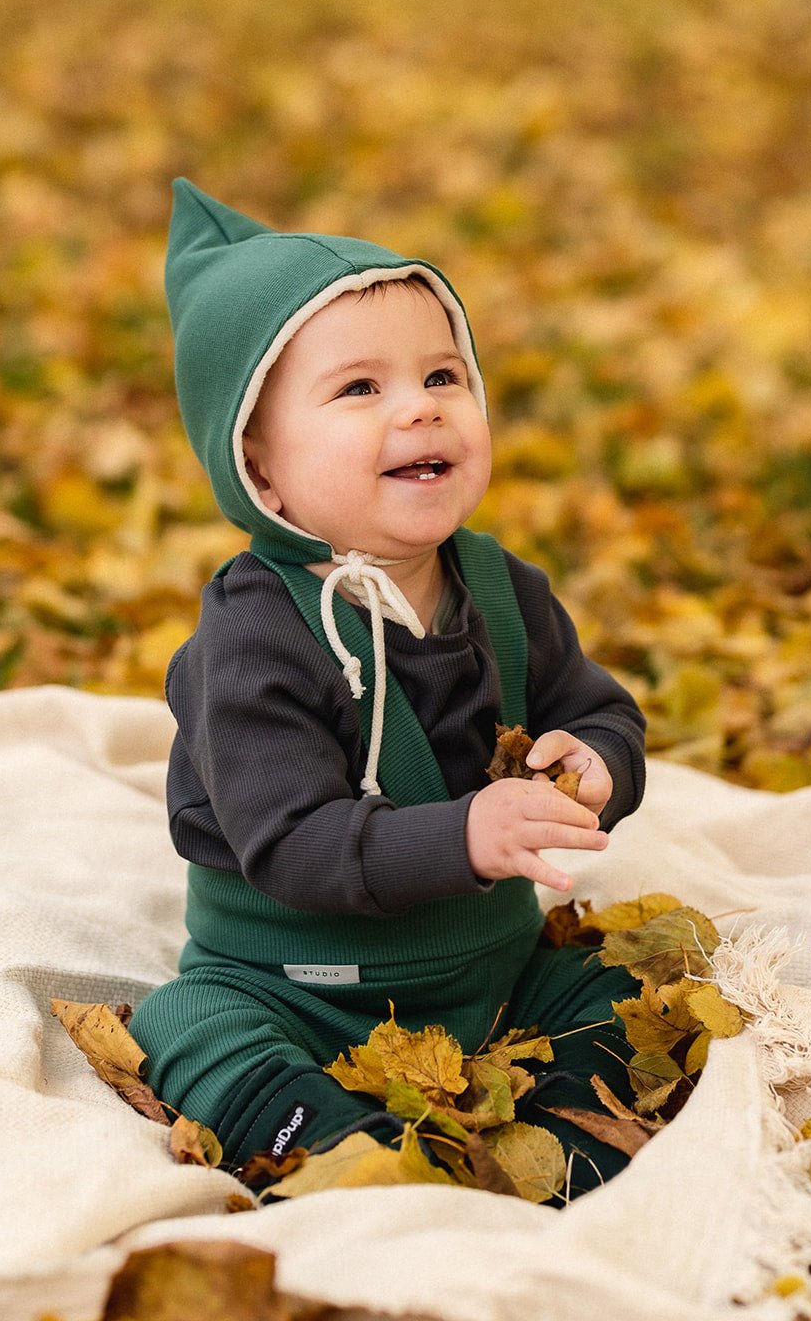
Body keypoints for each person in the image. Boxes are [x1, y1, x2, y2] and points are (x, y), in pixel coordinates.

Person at [129, 179, 647, 1199]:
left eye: (444, 373)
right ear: (260, 473)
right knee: (184, 1027)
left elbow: (599, 706)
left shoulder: (500, 589)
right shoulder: (252, 639)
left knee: (617, 981)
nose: (420, 405)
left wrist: (597, 763)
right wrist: (467, 836)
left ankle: (563, 1134)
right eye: (359, 389)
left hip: (488, 971)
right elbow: (293, 842)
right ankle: (323, 1140)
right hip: (293, 983)